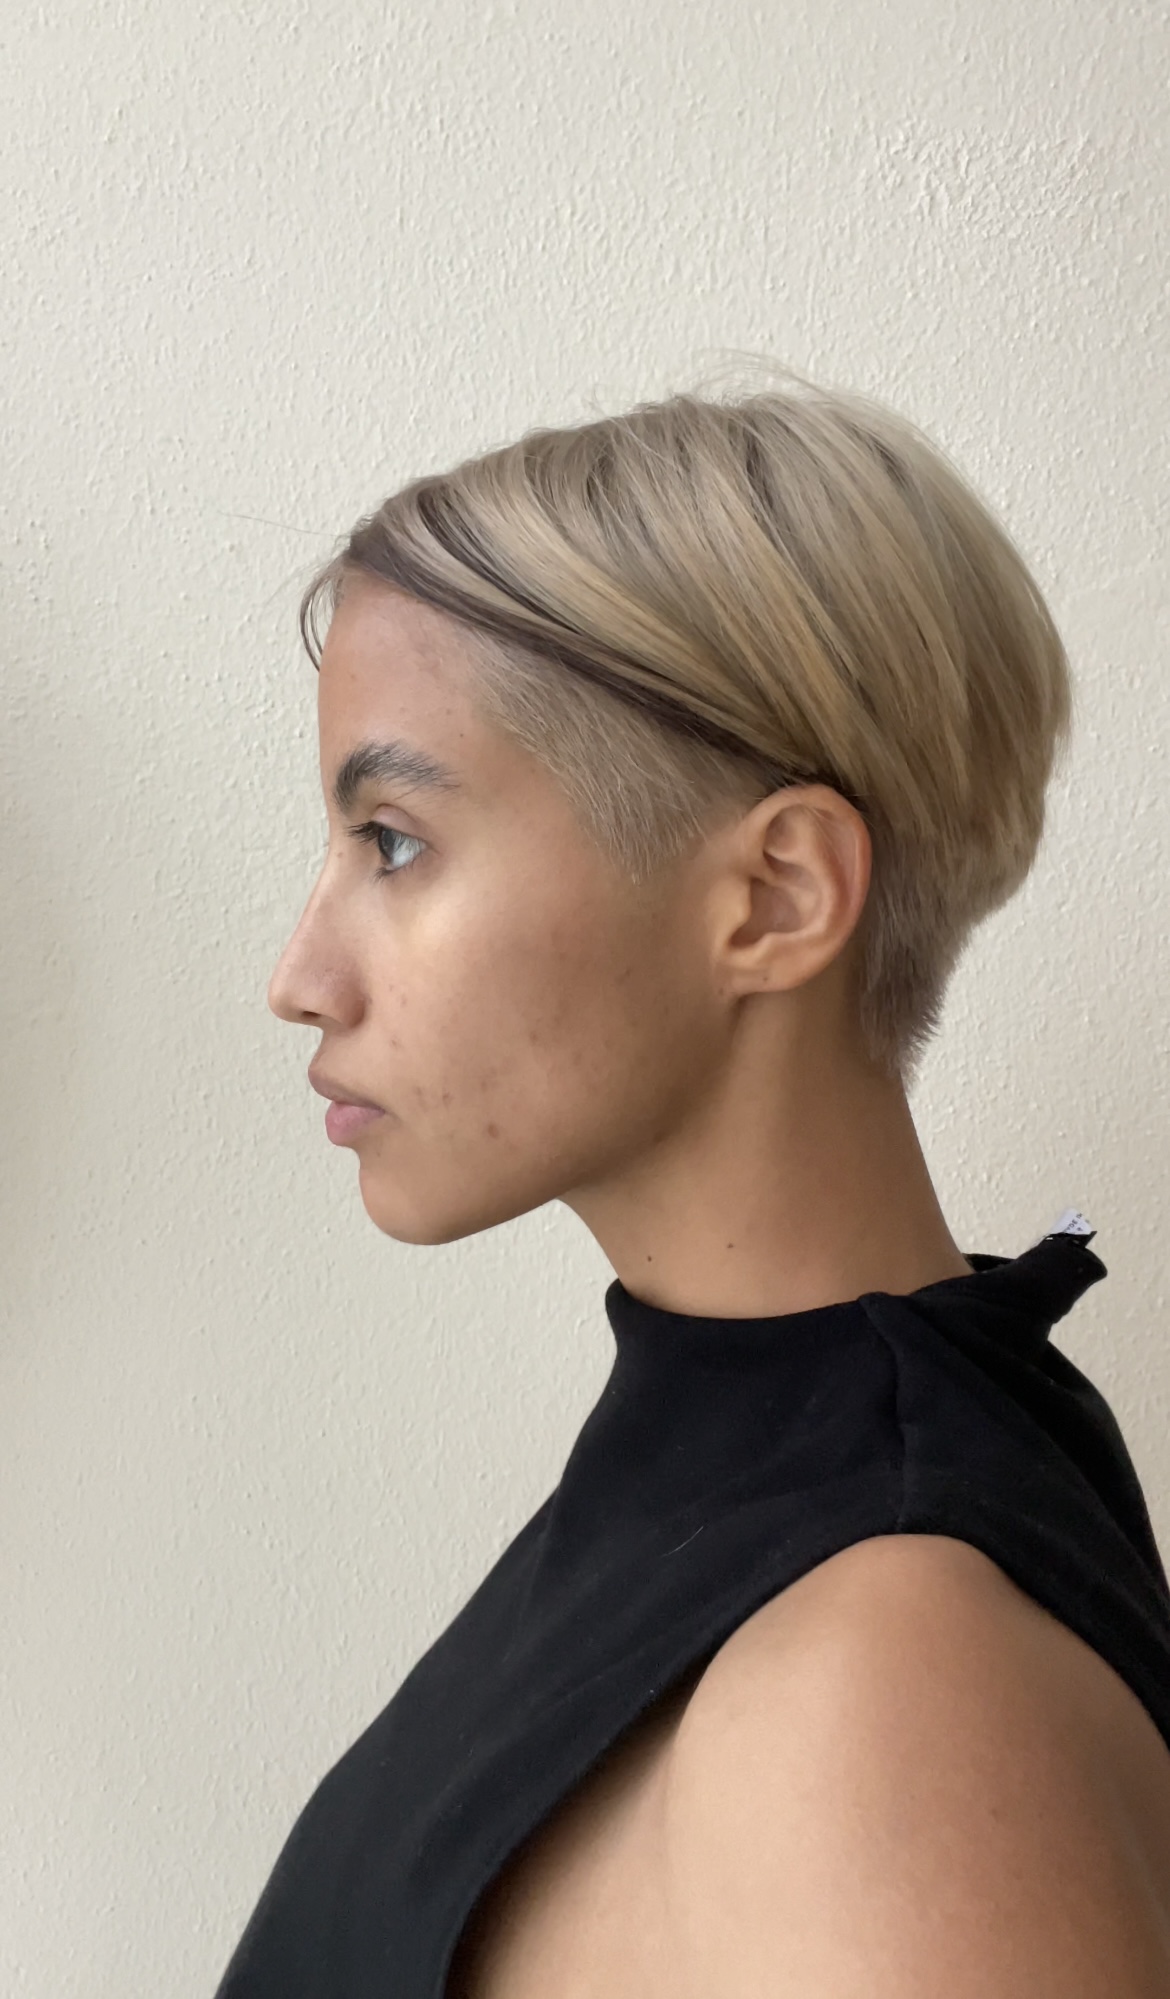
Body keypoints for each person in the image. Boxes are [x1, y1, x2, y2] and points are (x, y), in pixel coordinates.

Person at [216, 364, 1170, 1997]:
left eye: (393, 841)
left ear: (776, 896)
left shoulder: (878, 1686)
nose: (300, 978)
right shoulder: (785, 1486)